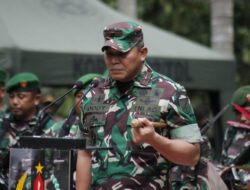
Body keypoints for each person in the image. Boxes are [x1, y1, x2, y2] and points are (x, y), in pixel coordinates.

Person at [76, 21, 203, 190]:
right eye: (108, 54)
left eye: (122, 54)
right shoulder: (94, 94)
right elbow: (85, 152)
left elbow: (192, 156)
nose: (114, 61)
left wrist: (154, 139)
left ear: (142, 53)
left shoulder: (169, 91)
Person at [0, 72, 61, 189]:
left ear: (36, 99)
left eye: (21, 96)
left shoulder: (50, 129)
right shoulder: (2, 124)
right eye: (11, 96)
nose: (15, 102)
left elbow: (56, 169)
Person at [220, 85, 250, 189]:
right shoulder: (232, 131)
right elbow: (224, 162)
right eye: (238, 112)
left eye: (246, 111)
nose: (242, 117)